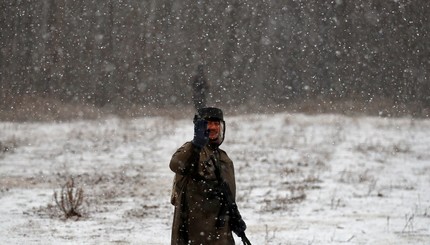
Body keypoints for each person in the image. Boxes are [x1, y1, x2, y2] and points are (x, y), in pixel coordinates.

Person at [169, 107, 249, 245]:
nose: (212, 127)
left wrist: (235, 218)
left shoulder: (224, 158)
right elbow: (176, 164)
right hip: (194, 232)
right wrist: (195, 145)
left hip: (221, 232)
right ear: (199, 127)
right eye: (208, 123)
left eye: (216, 123)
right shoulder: (192, 151)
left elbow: (228, 195)